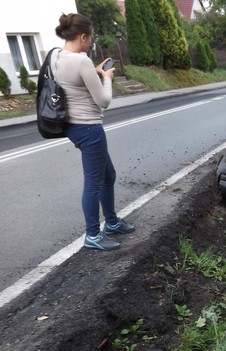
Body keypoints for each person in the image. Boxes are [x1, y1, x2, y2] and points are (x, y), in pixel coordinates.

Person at [54, 13, 134, 251]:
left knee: (107, 176)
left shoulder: (56, 56)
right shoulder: (81, 61)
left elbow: (74, 84)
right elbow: (103, 101)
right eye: (90, 39)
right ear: (83, 36)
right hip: (89, 127)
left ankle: (111, 222)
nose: (91, 43)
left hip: (72, 126)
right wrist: (107, 77)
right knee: (94, 184)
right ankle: (92, 235)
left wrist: (95, 72)